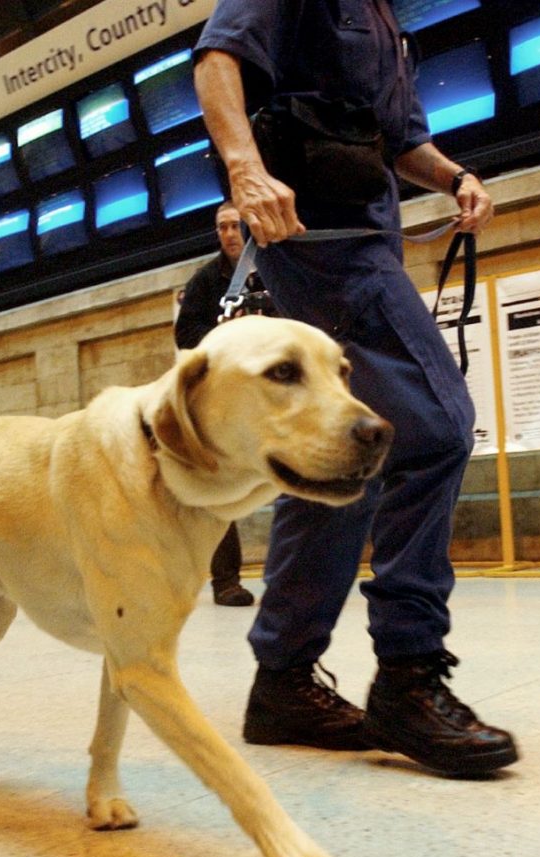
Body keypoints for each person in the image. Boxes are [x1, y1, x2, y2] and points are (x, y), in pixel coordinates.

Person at [193, 0, 518, 775]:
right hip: (322, 241)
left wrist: (454, 176)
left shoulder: (383, 17)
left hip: (365, 236)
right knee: (437, 425)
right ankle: (409, 673)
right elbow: (217, 60)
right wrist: (246, 171)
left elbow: (400, 139)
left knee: (337, 467)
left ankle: (282, 680)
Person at [175, 201, 271, 607]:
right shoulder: (205, 280)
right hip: (225, 400)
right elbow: (186, 334)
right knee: (219, 489)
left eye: (235, 225)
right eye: (222, 227)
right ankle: (226, 581)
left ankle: (300, 575)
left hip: (274, 395)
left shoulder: (275, 266)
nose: (229, 234)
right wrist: (221, 331)